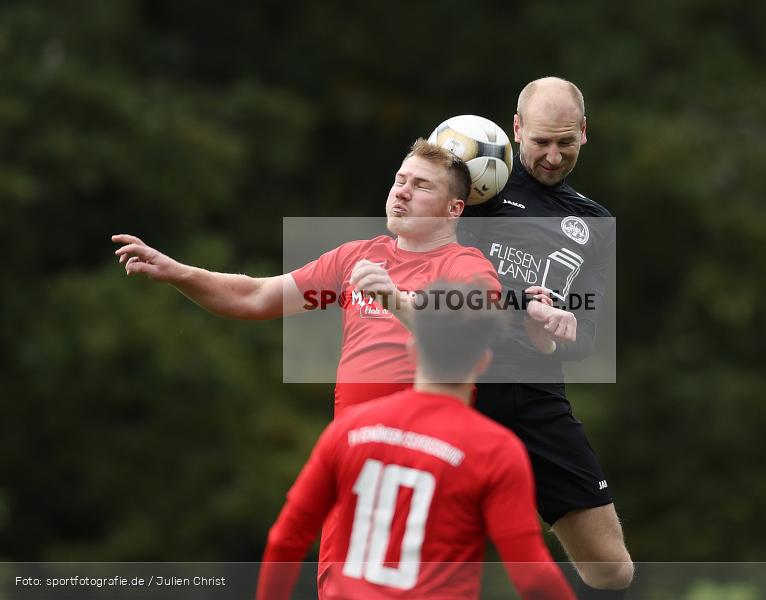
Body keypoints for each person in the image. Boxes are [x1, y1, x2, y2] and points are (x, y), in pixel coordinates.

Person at [112, 139, 500, 417]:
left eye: (421, 186)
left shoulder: (465, 265)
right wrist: (177, 272)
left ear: (454, 209)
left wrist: (395, 299)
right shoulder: (355, 256)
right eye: (400, 180)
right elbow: (257, 297)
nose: (402, 193)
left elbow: (467, 331)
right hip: (350, 453)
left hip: (427, 453)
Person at [256, 282, 576, 600]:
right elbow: (531, 574)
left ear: (413, 350)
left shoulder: (349, 429)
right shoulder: (496, 449)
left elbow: (286, 540)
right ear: (483, 363)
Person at [460, 77, 634, 594]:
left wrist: (563, 326)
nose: (554, 157)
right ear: (515, 130)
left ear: (584, 132)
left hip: (534, 394)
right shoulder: (471, 180)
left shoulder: (593, 221)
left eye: (566, 142)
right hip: (454, 383)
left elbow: (586, 340)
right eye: (540, 142)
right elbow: (405, 239)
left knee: (613, 569)